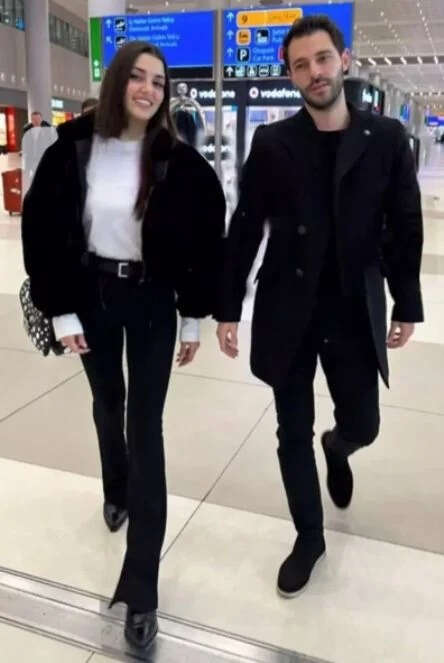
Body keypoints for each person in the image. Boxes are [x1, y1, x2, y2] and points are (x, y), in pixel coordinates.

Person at [22, 41, 225, 648]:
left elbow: (203, 239)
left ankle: (142, 589)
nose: (148, 89)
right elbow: (44, 230)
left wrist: (195, 316)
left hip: (154, 301)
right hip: (92, 298)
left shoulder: (179, 162)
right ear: (117, 82)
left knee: (146, 426)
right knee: (109, 403)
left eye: (158, 82)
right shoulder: (73, 147)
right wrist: (60, 309)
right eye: (137, 77)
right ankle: (116, 488)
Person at [216, 16, 423, 599]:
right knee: (291, 430)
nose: (315, 73)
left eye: (323, 59)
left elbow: (405, 225)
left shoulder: (385, 140)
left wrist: (406, 302)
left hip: (353, 307)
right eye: (301, 65)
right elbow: (246, 225)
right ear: (290, 74)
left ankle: (339, 446)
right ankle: (309, 537)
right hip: (289, 306)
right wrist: (228, 306)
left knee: (365, 423)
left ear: (345, 60)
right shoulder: (273, 143)